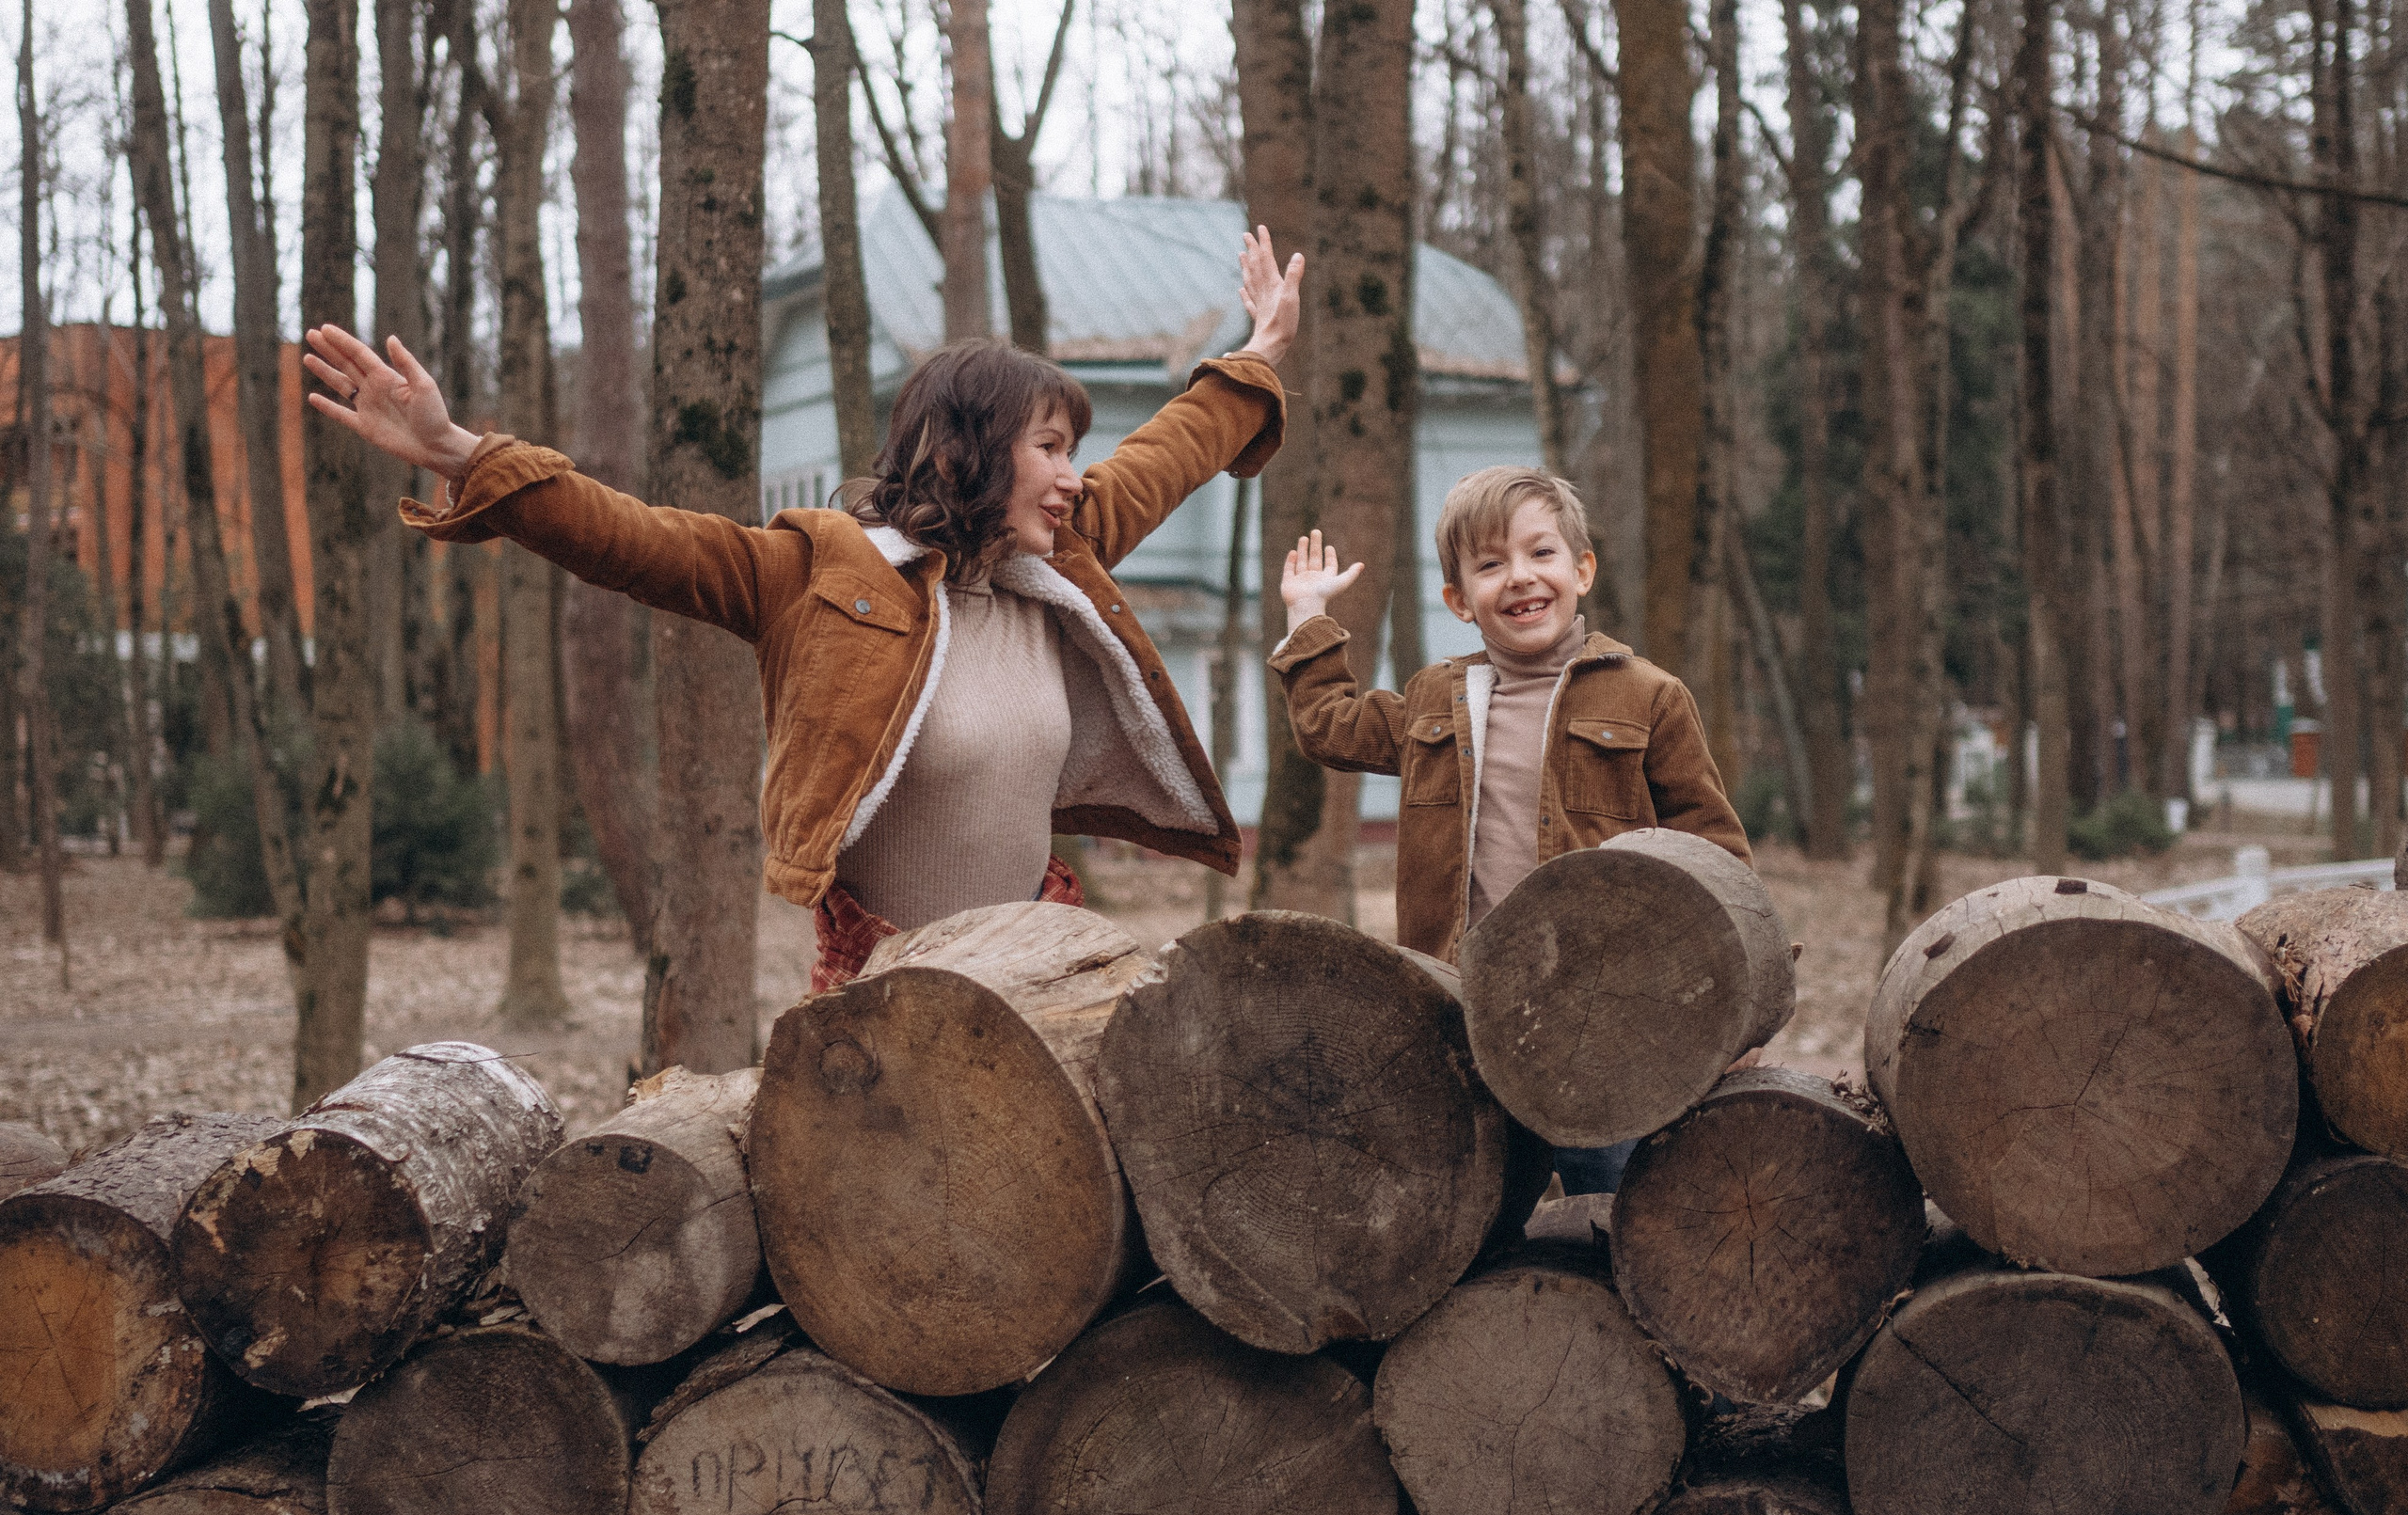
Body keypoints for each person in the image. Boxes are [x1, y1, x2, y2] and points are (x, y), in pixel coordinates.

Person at [303, 230, 1305, 990]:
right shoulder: (823, 574)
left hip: (1043, 965)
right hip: (885, 990)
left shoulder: (1058, 562)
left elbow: (1174, 449)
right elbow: (635, 540)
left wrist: (1259, 349)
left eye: (1072, 451)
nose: (1071, 476)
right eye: (1048, 447)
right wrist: (458, 452)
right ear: (968, 452)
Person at [1269, 465, 1750, 1193]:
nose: (1520, 577)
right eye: (1491, 565)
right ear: (1460, 600)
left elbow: (1717, 854)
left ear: (1583, 569)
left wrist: (1732, 1006)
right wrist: (1308, 617)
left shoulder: (1650, 697)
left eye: (1541, 553)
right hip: (1463, 1008)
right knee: (1470, 1205)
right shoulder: (1437, 699)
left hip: (1603, 1012)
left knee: (1612, 1197)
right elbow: (1330, 727)